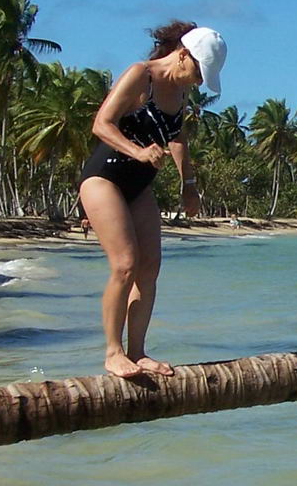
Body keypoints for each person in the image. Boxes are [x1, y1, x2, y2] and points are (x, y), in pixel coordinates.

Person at [79, 20, 227, 378]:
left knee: (149, 268)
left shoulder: (181, 93)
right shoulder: (141, 75)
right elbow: (102, 123)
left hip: (139, 186)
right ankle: (113, 353)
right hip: (104, 179)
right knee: (125, 264)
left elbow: (177, 138)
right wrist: (138, 151)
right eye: (198, 73)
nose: (198, 82)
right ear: (183, 55)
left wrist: (188, 184)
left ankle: (138, 352)